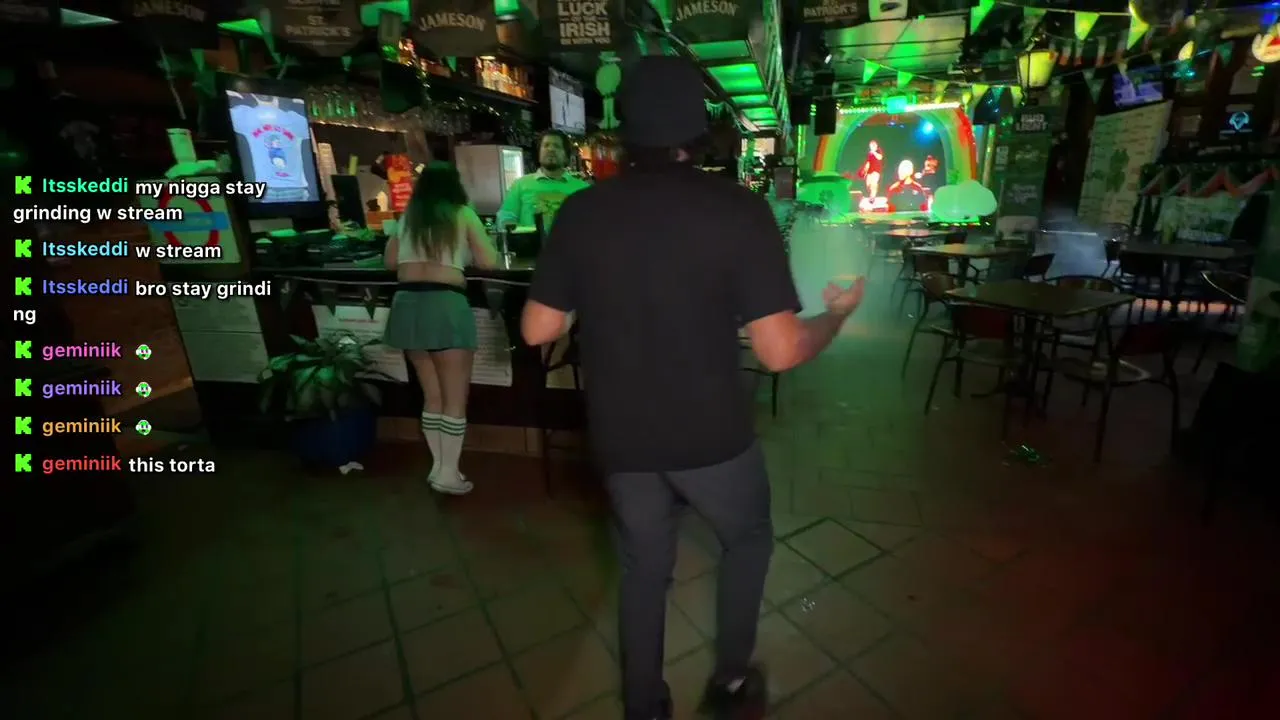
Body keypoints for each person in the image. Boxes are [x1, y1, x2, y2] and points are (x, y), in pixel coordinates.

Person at [520, 56, 867, 720]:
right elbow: (780, 351)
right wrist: (838, 316)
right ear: (698, 131)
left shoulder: (582, 212)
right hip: (713, 437)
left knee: (642, 570)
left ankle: (644, 706)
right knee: (748, 538)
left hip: (623, 438)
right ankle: (731, 681)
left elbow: (538, 328)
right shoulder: (737, 211)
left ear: (624, 131)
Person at [383, 162, 498, 496]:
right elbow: (489, 260)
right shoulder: (463, 213)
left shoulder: (408, 217)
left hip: (408, 305)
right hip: (445, 304)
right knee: (455, 398)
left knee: (432, 395)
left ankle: (439, 468)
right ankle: (448, 473)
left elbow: (390, 262)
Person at [496, 130, 591, 231]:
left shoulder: (583, 189)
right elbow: (505, 217)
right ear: (539, 154)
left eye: (557, 146)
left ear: (566, 157)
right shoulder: (520, 184)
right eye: (546, 145)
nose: (551, 149)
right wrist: (515, 231)